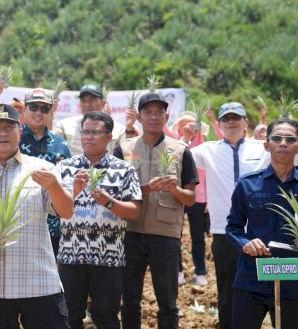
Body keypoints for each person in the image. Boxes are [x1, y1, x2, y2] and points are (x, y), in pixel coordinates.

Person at [0, 104, 74, 328]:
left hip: (38, 284)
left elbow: (66, 211)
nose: (3, 133)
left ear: (20, 130)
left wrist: (55, 186)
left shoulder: (42, 170)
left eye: (9, 126)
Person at [114, 92, 199, 329]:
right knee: (129, 299)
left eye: (159, 112)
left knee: (167, 302)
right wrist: (146, 189)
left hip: (166, 236)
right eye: (148, 112)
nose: (154, 117)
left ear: (167, 116)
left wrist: (176, 190)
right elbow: (115, 192)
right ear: (139, 117)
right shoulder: (124, 148)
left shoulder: (181, 150)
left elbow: (191, 198)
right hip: (129, 233)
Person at [184, 102, 269, 329]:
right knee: (228, 292)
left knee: (261, 292)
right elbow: (179, 159)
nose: (231, 122)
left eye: (236, 117)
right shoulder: (207, 150)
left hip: (259, 233)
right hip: (225, 234)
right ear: (219, 124)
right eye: (226, 119)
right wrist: (188, 137)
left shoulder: (262, 148)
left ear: (245, 122)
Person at [56, 111, 142, 329]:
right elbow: (54, 208)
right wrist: (73, 192)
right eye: (85, 131)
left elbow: (134, 211)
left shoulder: (124, 169)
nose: (88, 137)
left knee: (106, 318)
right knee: (69, 317)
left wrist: (109, 202)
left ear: (110, 136)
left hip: (108, 257)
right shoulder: (65, 167)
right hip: (71, 256)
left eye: (95, 132)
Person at [226, 117, 298, 328]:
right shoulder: (248, 184)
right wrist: (245, 243)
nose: (283, 143)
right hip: (251, 279)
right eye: (277, 138)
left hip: (293, 283)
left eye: (290, 139)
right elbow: (233, 227)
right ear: (266, 145)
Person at [19, 89, 72, 256]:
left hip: (52, 226)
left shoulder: (60, 144)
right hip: (17, 221)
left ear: (51, 112)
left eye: (45, 109)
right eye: (33, 107)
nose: (39, 112)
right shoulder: (12, 137)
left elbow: (67, 185)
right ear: (23, 110)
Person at [168, 112, 210, 286]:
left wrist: (209, 200)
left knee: (198, 237)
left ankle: (201, 272)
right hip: (178, 196)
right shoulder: (174, 144)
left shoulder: (204, 145)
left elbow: (208, 175)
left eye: (193, 125)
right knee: (175, 236)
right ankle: (177, 271)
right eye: (185, 124)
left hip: (199, 198)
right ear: (179, 127)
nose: (190, 128)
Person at [54, 83, 135, 156]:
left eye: (91, 100)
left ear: (103, 103)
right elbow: (53, 149)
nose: (87, 104)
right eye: (83, 100)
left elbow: (127, 155)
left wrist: (129, 128)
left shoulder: (120, 130)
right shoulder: (64, 126)